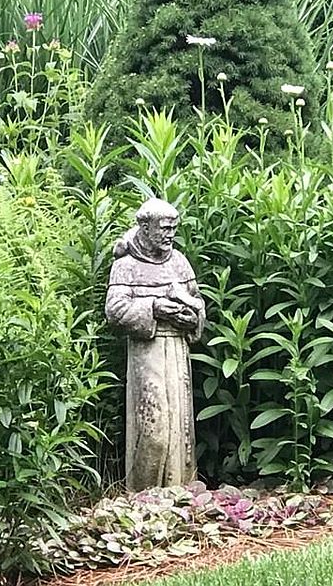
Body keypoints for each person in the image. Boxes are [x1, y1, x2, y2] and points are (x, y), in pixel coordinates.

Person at [105, 198, 205, 491]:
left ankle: (180, 493)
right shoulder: (125, 266)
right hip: (146, 352)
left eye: (173, 228)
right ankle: (143, 496)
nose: (170, 234)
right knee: (154, 428)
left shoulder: (179, 262)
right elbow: (115, 311)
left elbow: (197, 301)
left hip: (178, 350)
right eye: (164, 228)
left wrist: (192, 317)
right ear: (145, 227)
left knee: (180, 429)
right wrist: (155, 308)